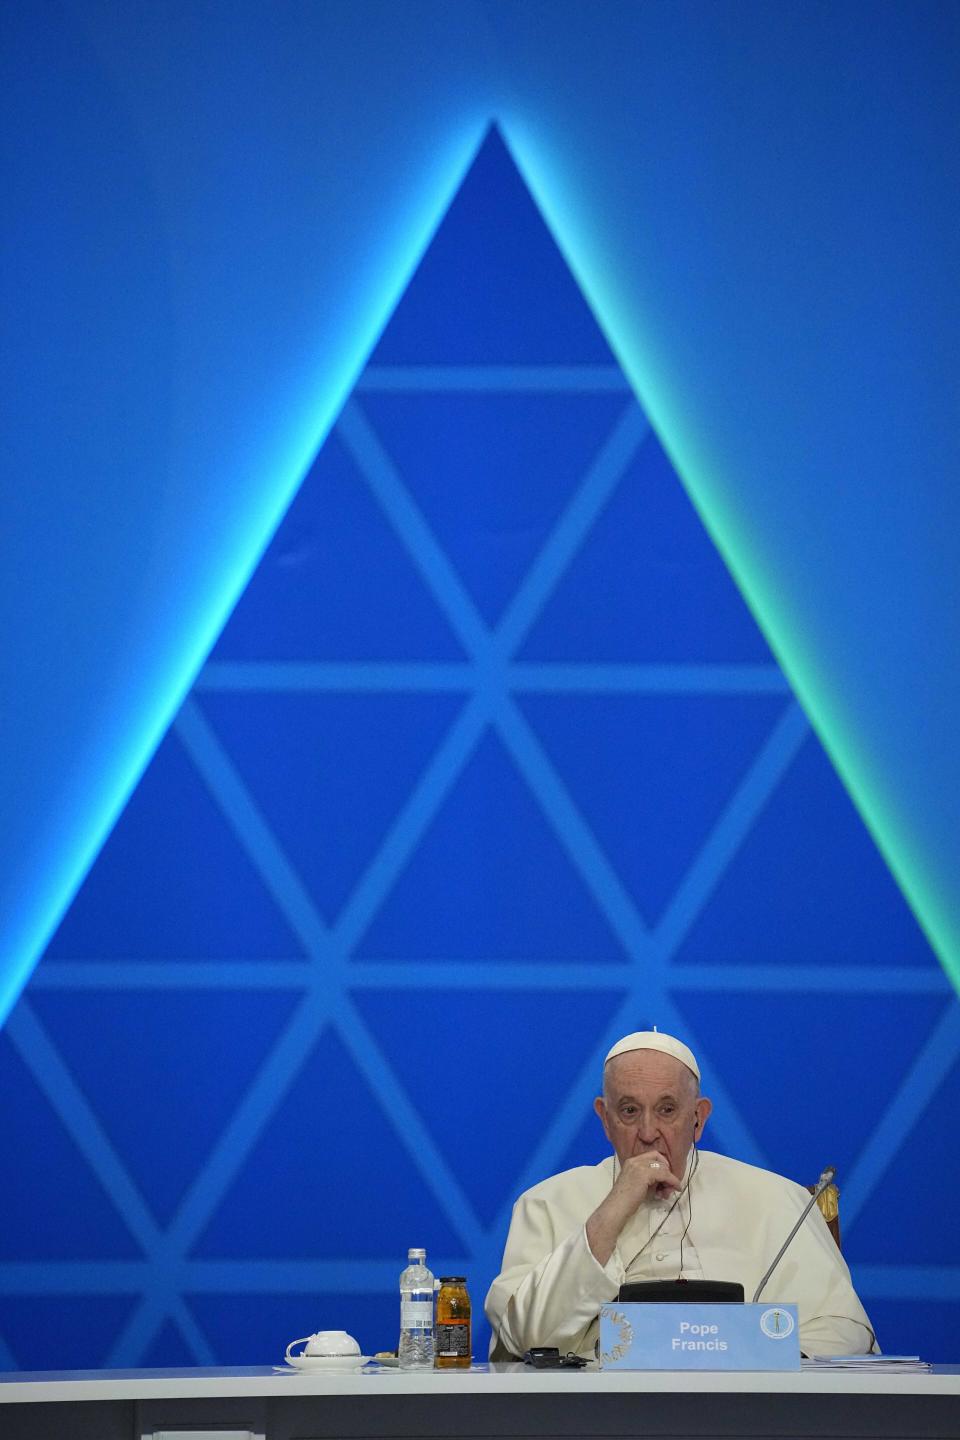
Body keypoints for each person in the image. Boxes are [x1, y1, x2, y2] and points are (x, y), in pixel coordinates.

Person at [485, 1030, 876, 1359]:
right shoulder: (545, 1203)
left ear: (698, 1117)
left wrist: (758, 1363)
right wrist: (615, 1207)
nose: (649, 1131)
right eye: (629, 1111)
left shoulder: (776, 1198)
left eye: (668, 1109)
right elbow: (524, 1338)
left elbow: (844, 1328)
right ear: (605, 1119)